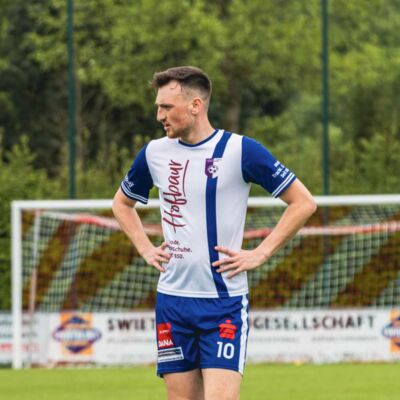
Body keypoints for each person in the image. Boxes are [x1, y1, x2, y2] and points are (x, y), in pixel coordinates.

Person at [112, 66, 316, 400]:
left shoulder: (240, 150)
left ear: (196, 105)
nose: (160, 116)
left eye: (167, 107)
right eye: (158, 107)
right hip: (173, 301)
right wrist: (145, 248)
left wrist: (260, 253)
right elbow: (122, 203)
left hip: (224, 303)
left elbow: (303, 202)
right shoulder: (154, 153)